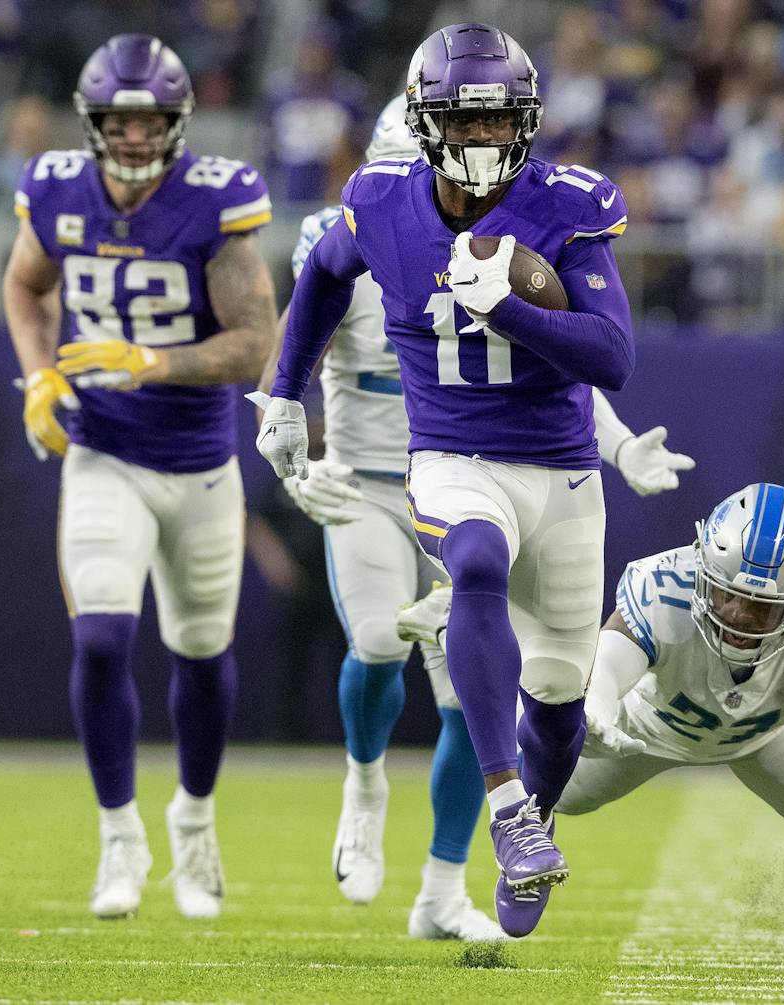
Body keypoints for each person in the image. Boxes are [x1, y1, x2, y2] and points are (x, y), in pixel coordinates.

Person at [265, 95, 695, 941]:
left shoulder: (568, 204)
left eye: (499, 121)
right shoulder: (380, 203)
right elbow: (320, 275)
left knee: (560, 694)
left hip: (561, 472)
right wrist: (284, 396)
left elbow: (611, 357)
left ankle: (528, 820)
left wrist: (514, 309)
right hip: (442, 461)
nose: (481, 141)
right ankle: (497, 804)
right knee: (469, 570)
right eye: (463, 123)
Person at [395, 483, 784, 967]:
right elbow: (611, 660)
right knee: (548, 751)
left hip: (765, 735)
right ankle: (460, 629)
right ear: (703, 567)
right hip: (645, 724)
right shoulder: (663, 586)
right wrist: (593, 710)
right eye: (730, 594)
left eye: (762, 607)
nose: (740, 618)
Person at [2, 34, 277, 920]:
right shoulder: (55, 191)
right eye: (117, 120)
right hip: (104, 453)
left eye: (148, 119)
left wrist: (150, 359)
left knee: (202, 654)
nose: (131, 135)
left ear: (177, 122)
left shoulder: (214, 202)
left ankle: (193, 823)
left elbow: (253, 344)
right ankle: (119, 837)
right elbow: (24, 286)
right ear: (93, 123)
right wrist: (40, 372)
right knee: (101, 639)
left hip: (199, 466)